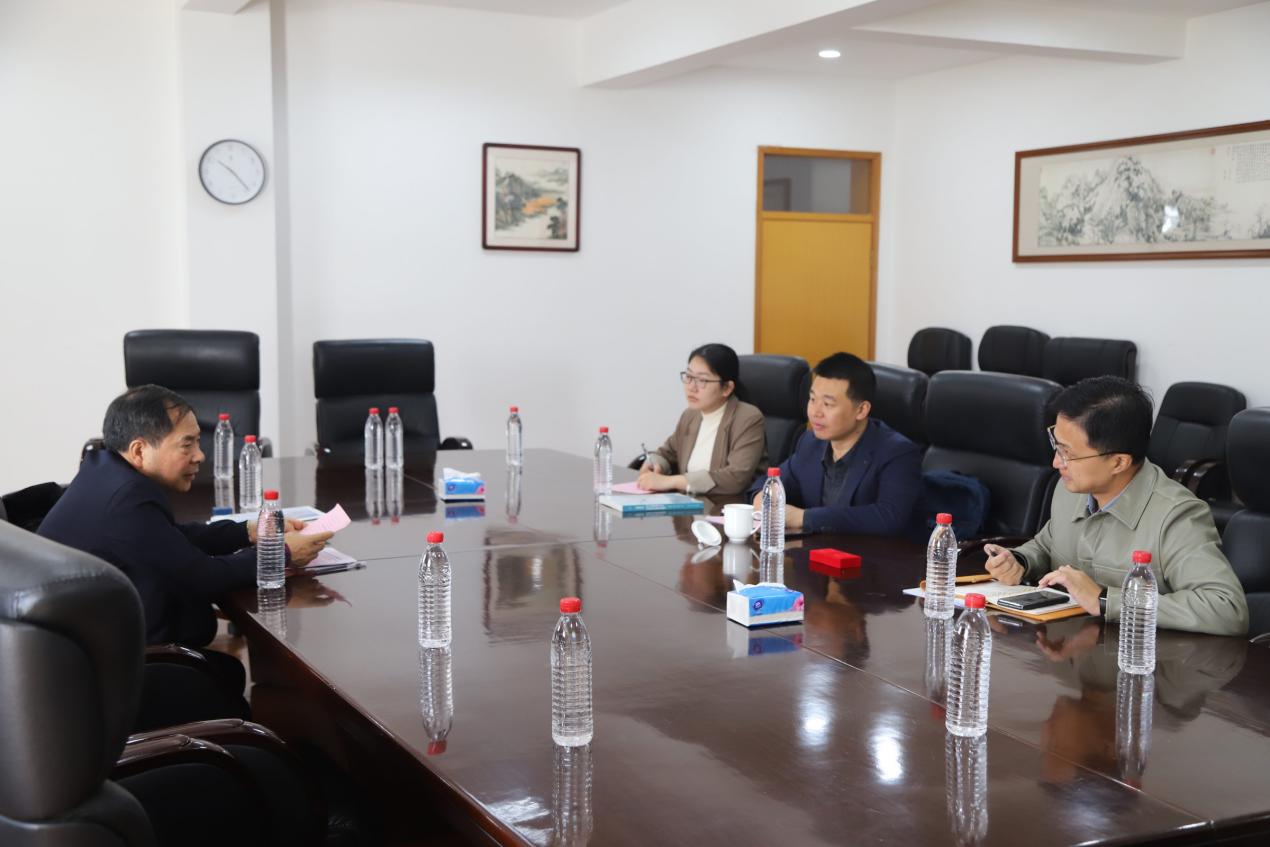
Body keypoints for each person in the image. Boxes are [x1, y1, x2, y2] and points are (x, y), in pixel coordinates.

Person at [39, 384, 331, 647]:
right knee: (226, 673)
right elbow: (204, 576)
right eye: (187, 444)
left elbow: (169, 538)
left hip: (83, 646)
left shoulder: (104, 473)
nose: (200, 455)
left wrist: (249, 531)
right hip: (124, 664)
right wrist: (281, 553)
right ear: (139, 450)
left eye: (198, 442)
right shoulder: (127, 500)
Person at [984, 376, 1247, 636]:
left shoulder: (1176, 516)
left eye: (1068, 453)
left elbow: (1226, 608)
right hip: (1069, 649)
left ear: (1119, 462)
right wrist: (1020, 561)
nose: (1056, 463)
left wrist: (1104, 600)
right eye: (1057, 445)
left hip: (1142, 655)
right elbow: (1048, 544)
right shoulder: (1070, 489)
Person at [748, 352, 922, 536]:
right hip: (817, 549)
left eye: (827, 404)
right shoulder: (810, 443)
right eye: (812, 399)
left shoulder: (897, 453)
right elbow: (774, 480)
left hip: (875, 553)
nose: (815, 412)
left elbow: (889, 517)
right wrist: (762, 496)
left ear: (861, 410)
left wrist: (804, 518)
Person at [639, 343, 768, 496]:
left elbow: (735, 478)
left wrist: (671, 481)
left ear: (727, 388)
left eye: (702, 380)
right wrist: (655, 464)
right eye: (689, 377)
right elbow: (668, 453)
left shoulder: (748, 418)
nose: (691, 387)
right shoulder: (691, 415)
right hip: (690, 504)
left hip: (728, 507)